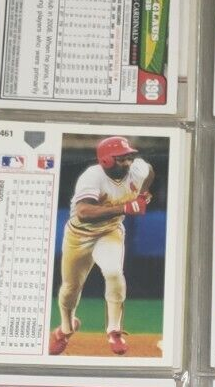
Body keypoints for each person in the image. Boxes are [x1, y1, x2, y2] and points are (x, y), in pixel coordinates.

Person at [49, 136, 155, 357]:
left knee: (113, 272)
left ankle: (114, 331)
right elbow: (83, 212)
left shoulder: (136, 170)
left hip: (110, 232)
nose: (127, 163)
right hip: (78, 236)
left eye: (128, 158)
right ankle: (65, 330)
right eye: (121, 159)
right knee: (70, 288)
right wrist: (125, 208)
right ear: (106, 160)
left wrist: (143, 193)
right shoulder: (92, 176)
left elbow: (150, 171)